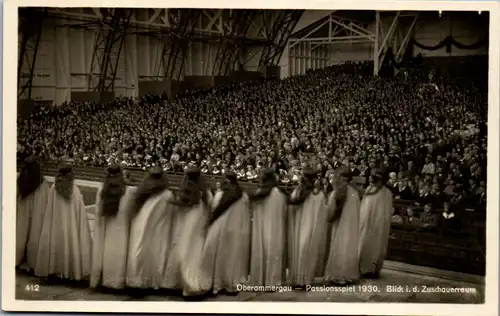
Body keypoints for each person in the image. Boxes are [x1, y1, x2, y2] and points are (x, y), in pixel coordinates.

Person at [34, 164, 92, 281]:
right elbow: (79, 212)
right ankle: (70, 272)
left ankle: (54, 270)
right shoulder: (74, 190)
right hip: (71, 227)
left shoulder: (53, 189)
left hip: (56, 225)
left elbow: (49, 210)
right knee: (71, 243)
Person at [163, 167, 212, 297]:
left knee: (185, 247)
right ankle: (193, 281)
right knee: (196, 249)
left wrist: (170, 202)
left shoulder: (187, 189)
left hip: (190, 220)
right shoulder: (206, 191)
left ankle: (186, 283)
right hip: (201, 222)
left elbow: (182, 204)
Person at [202, 171, 251, 294]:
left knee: (220, 256)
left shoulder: (221, 193)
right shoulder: (243, 195)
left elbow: (214, 209)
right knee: (233, 257)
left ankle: (218, 283)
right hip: (237, 230)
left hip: (221, 229)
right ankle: (232, 283)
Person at [126, 166, 174, 289]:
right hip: (158, 229)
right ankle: (151, 280)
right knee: (155, 252)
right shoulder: (168, 194)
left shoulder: (141, 192)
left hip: (142, 226)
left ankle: (137, 279)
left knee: (139, 250)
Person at [90, 163, 135, 289]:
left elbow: (98, 212)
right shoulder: (127, 191)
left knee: (106, 250)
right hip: (122, 228)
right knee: (120, 250)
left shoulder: (102, 190)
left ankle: (105, 278)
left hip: (107, 227)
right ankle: (117, 281)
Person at [287, 167, 326, 286]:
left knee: (300, 250)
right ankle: (305, 280)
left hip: (300, 228)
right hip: (311, 228)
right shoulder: (318, 195)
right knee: (307, 251)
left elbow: (291, 205)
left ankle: (299, 279)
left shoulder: (299, 192)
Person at [249, 168, 288, 287]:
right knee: (273, 251)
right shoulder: (279, 193)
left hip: (262, 229)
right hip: (276, 229)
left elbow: (253, 210)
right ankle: (273, 281)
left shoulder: (260, 193)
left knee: (263, 250)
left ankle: (260, 280)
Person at [323, 167, 361, 285]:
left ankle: (337, 275)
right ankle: (348, 275)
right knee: (348, 247)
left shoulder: (336, 193)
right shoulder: (355, 193)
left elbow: (330, 212)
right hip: (351, 227)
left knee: (338, 247)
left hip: (339, 226)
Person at [16, 156, 50, 271]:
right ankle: (32, 262)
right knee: (34, 235)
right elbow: (46, 200)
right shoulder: (41, 183)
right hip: (36, 212)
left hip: (23, 211)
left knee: (20, 233)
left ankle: (17, 259)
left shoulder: (21, 180)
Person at [358, 168, 393, 279]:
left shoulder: (381, 192)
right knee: (371, 245)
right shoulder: (378, 191)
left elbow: (367, 212)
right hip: (373, 225)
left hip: (376, 226)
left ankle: (370, 269)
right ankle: (367, 269)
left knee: (374, 245)